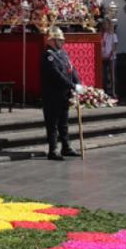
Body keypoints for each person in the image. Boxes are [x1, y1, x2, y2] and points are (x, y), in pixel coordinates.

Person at [41, 26, 81, 160]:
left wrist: (78, 82)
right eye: (60, 40)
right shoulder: (48, 55)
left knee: (63, 122)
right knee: (52, 123)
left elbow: (71, 68)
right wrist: (72, 85)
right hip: (53, 94)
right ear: (52, 40)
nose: (62, 42)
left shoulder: (62, 53)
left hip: (64, 94)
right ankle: (53, 149)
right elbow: (56, 75)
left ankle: (66, 146)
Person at [99, 19, 118, 98]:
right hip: (102, 57)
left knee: (112, 75)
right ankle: (105, 92)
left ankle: (113, 92)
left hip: (111, 57)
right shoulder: (100, 35)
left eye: (107, 24)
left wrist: (110, 55)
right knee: (104, 76)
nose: (105, 26)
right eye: (104, 24)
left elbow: (114, 46)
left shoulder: (113, 35)